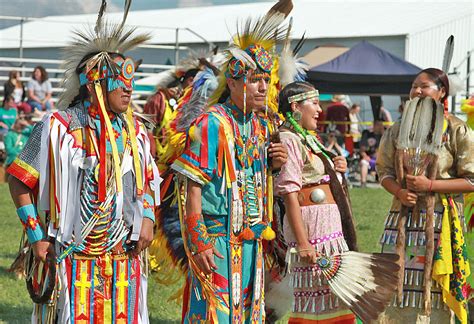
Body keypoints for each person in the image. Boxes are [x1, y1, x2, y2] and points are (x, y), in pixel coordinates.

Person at [7, 4, 160, 323]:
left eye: (131, 79)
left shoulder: (135, 132)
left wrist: (147, 216)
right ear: (93, 84)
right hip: (73, 261)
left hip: (124, 262)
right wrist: (36, 236)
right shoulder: (58, 127)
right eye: (119, 80)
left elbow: (145, 184)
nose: (129, 87)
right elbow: (19, 180)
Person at [170, 9, 290, 321]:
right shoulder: (213, 123)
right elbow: (191, 185)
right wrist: (198, 242)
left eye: (266, 80)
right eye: (254, 81)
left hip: (252, 240)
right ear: (234, 84)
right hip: (216, 239)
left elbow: (255, 178)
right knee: (215, 313)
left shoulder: (261, 126)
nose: (263, 88)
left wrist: (274, 165)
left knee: (249, 312)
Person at [377, 68, 473, 323]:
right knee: (396, 285)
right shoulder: (398, 130)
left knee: (433, 292)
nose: (417, 91)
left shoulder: (456, 130)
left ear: (442, 92)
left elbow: (472, 179)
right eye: (414, 86)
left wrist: (430, 184)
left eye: (425, 86)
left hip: (440, 223)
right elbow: (383, 171)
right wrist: (399, 190)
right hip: (401, 221)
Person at [274, 81, 356, 323]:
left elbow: (318, 177)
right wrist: (303, 243)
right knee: (315, 303)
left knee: (334, 299)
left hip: (328, 229)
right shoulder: (288, 138)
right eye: (315, 103)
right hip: (312, 231)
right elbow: (290, 193)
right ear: (295, 106)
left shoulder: (308, 138)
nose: (320, 110)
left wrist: (336, 168)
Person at [359, 119, 384, 187]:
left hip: (380, 159)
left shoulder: (383, 137)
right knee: (364, 163)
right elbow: (362, 150)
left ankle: (382, 182)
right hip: (369, 158)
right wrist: (366, 157)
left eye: (381, 125)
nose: (380, 127)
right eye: (378, 125)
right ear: (374, 125)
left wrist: (383, 133)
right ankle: (363, 183)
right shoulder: (367, 135)